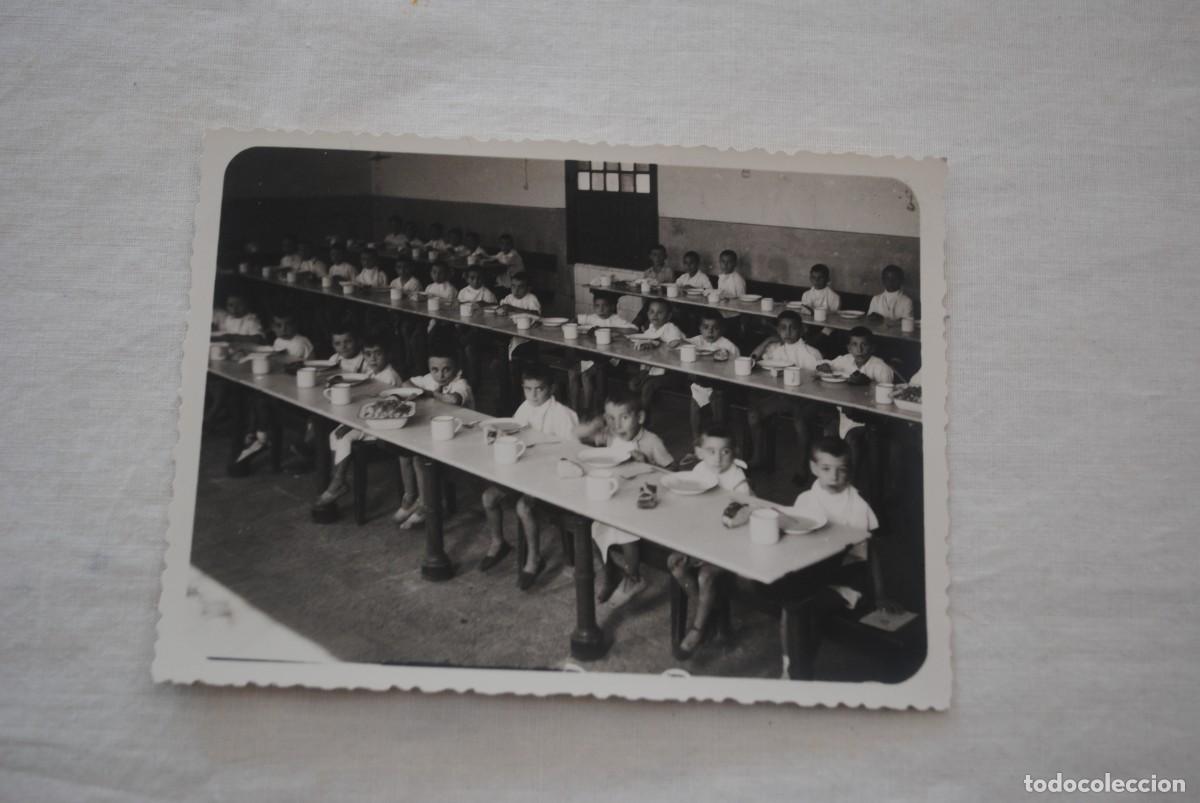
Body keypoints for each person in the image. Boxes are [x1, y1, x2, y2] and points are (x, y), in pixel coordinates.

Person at [779, 436, 900, 676]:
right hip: (813, 571)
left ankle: (797, 672)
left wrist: (881, 594)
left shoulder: (857, 505)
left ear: (849, 471)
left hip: (847, 579)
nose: (834, 476)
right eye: (826, 469)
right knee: (792, 604)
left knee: (803, 609)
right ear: (814, 468)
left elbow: (870, 553)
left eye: (841, 470)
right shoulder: (806, 499)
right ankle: (792, 666)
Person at [479, 364, 579, 588]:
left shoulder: (563, 415)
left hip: (551, 477)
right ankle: (498, 542)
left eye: (539, 389)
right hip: (523, 471)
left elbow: (573, 453)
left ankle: (534, 559)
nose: (533, 395)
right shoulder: (525, 407)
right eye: (528, 389)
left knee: (523, 507)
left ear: (551, 388)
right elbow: (515, 433)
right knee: (488, 497)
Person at [576, 390, 674, 604]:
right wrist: (597, 425)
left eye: (624, 418)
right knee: (590, 527)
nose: (617, 425)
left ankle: (634, 577)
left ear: (639, 418)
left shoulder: (651, 441)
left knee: (626, 533)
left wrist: (648, 462)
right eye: (611, 418)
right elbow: (580, 435)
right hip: (617, 494)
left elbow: (671, 473)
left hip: (642, 502)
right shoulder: (610, 436)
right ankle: (610, 571)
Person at [666, 424, 751, 658]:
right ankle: (710, 613)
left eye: (725, 451)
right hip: (701, 541)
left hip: (729, 545)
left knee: (706, 576)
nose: (718, 458)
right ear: (699, 452)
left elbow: (746, 513)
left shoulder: (737, 479)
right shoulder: (698, 473)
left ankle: (698, 628)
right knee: (675, 564)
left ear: (733, 452)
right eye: (711, 451)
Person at [313, 336, 405, 508]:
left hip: (385, 425)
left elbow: (382, 409)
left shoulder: (389, 376)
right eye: (368, 354)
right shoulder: (371, 372)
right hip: (368, 418)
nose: (373, 359)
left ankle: (338, 482)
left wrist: (351, 424)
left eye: (378, 354)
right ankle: (337, 478)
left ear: (388, 355)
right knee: (335, 434)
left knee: (345, 436)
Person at [393, 344, 475, 528]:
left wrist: (428, 393)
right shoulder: (429, 379)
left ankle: (425, 505)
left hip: (462, 436)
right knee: (404, 453)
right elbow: (406, 384)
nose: (441, 375)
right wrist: (420, 387)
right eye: (435, 370)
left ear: (457, 369)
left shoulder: (461, 384)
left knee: (420, 458)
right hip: (438, 432)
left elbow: (453, 399)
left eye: (447, 369)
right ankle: (410, 498)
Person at [745, 310, 829, 477]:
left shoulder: (811, 353)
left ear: (802, 330)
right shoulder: (775, 350)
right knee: (754, 414)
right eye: (783, 328)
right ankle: (758, 457)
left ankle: (802, 465)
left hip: (806, 399)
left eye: (793, 328)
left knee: (800, 421)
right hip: (783, 397)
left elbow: (821, 381)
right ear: (777, 330)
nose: (788, 333)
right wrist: (768, 340)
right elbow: (751, 360)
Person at [816, 327, 895, 499]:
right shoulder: (845, 361)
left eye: (864, 345)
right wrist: (824, 365)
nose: (859, 350)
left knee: (853, 439)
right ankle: (832, 482)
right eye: (854, 345)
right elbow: (828, 364)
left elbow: (887, 402)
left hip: (872, 419)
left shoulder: (880, 368)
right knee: (828, 432)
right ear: (848, 348)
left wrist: (869, 383)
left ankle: (852, 485)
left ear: (872, 348)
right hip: (846, 414)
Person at [569, 293, 633, 416]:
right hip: (593, 355)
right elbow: (575, 320)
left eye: (605, 306)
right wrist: (575, 325)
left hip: (609, 359)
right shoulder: (592, 317)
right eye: (597, 306)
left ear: (612, 307)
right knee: (571, 372)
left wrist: (610, 329)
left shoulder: (616, 319)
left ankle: (588, 411)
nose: (601, 309)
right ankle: (573, 410)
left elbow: (633, 330)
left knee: (586, 375)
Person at [685, 309, 740, 441]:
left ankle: (719, 438)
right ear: (700, 328)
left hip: (721, 385)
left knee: (718, 406)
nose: (710, 332)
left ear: (722, 330)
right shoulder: (697, 341)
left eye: (715, 328)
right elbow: (681, 344)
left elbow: (737, 368)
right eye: (706, 327)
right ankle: (696, 440)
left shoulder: (728, 346)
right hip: (700, 383)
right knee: (694, 407)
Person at [627, 298, 685, 417]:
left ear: (668, 316)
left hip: (673, 372)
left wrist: (655, 343)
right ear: (647, 314)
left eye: (660, 312)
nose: (655, 315)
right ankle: (637, 410)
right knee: (633, 384)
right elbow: (645, 340)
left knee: (648, 386)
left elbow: (675, 344)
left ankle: (644, 417)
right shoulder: (651, 328)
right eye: (652, 312)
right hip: (654, 370)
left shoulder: (671, 328)